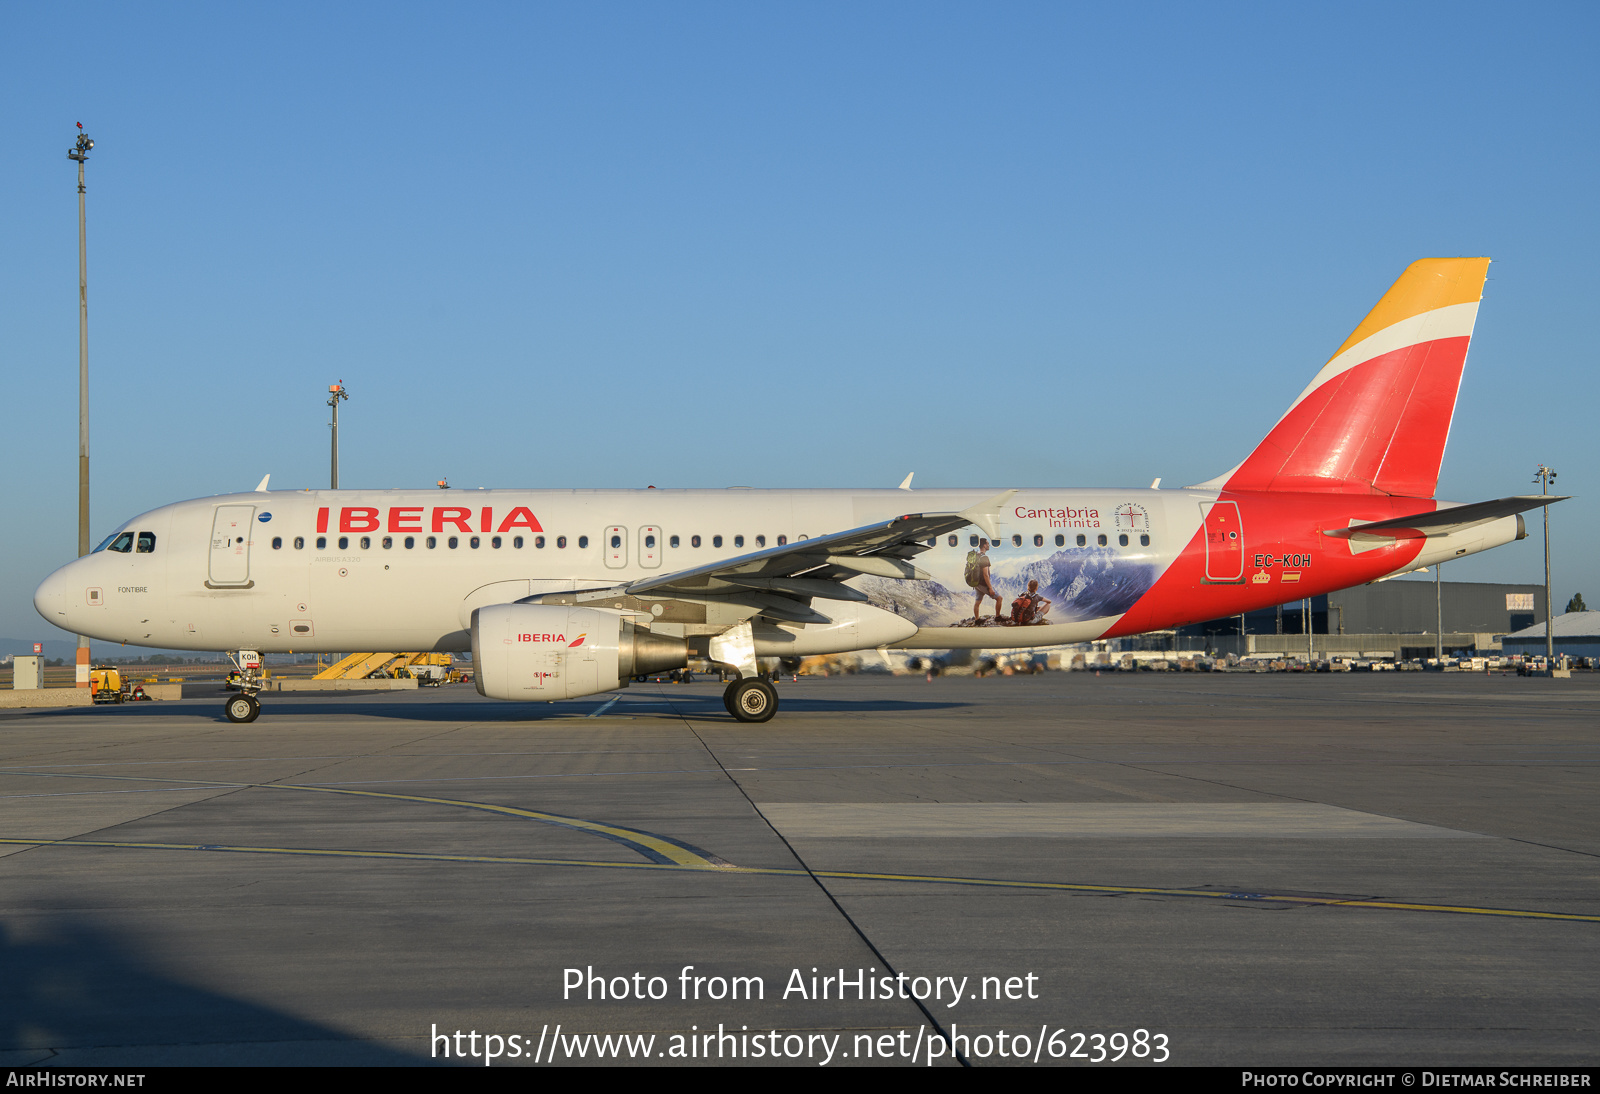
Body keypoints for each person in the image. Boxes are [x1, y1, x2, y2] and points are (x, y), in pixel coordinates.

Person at [968, 539, 1003, 622]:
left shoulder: (976, 555)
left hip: (976, 583)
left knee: (977, 602)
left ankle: (977, 619)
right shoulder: (984, 557)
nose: (989, 545)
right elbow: (985, 574)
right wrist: (990, 588)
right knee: (999, 598)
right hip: (983, 584)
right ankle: (997, 617)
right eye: (987, 544)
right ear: (984, 545)